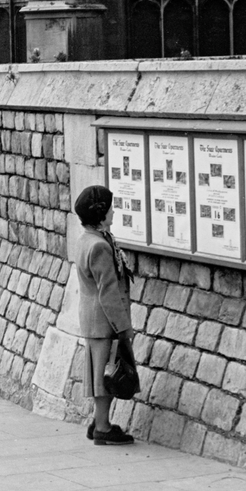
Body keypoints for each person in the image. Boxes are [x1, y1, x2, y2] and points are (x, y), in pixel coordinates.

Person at [73, 184, 136, 446]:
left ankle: (98, 422)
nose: (114, 212)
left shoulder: (88, 239)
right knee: (107, 376)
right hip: (104, 321)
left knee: (103, 374)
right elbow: (108, 292)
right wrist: (123, 327)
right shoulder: (99, 247)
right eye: (110, 208)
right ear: (100, 215)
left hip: (94, 318)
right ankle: (102, 426)